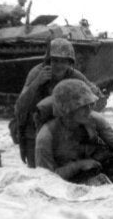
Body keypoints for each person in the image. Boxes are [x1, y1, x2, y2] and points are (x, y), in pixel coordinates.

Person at [13, 38, 104, 168]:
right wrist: (36, 83)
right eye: (55, 60)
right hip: (33, 130)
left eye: (64, 61)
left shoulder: (74, 75)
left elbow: (99, 100)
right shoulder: (37, 73)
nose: (59, 65)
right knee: (39, 172)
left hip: (62, 132)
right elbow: (19, 107)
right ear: (48, 61)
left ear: (70, 63)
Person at [35, 79, 113, 185]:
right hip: (68, 184)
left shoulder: (94, 120)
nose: (89, 110)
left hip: (98, 172)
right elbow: (46, 179)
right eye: (83, 106)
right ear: (68, 110)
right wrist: (77, 166)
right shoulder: (46, 137)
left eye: (90, 104)